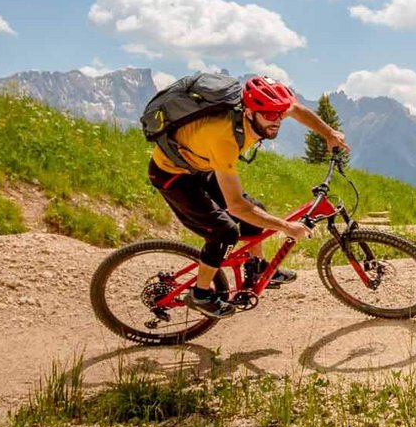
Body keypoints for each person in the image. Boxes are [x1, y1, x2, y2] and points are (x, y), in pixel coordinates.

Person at [148, 76, 347, 317]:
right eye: (270, 116)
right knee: (225, 232)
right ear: (250, 112)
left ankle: (258, 269)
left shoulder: (265, 110)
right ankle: (200, 295)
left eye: (279, 115)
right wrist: (286, 227)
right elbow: (236, 206)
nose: (277, 121)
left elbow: (295, 109)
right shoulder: (224, 138)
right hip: (173, 176)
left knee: (257, 209)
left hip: (199, 165)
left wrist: (328, 133)